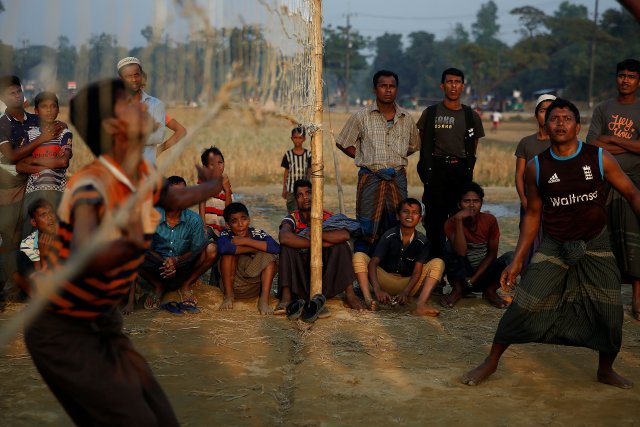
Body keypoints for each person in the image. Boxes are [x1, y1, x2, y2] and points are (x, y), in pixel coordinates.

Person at [23, 78, 225, 425]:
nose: (144, 107)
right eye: (132, 104)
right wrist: (129, 242)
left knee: (161, 414)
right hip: (62, 330)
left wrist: (212, 185)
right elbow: (87, 256)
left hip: (104, 323)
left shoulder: (141, 170)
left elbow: (174, 197)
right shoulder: (92, 185)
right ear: (114, 126)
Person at [462, 98, 640, 389]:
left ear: (577, 126)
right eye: (554, 118)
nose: (559, 123)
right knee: (526, 302)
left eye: (566, 118)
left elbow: (632, 193)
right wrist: (518, 259)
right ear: (545, 124)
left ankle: (605, 369)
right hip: (555, 244)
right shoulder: (536, 167)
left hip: (596, 243)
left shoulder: (599, 158)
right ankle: (491, 362)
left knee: (609, 309)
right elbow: (533, 215)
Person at [336, 70, 420, 254]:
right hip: (370, 178)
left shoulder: (406, 118)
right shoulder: (362, 116)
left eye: (392, 86)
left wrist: (395, 157)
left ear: (396, 89)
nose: (388, 90)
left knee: (399, 221)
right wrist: (363, 157)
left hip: (397, 179)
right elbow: (342, 142)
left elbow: (413, 145)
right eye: (383, 86)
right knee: (367, 226)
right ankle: (363, 266)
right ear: (375, 89)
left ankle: (392, 266)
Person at [586, 58, 640, 321]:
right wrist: (628, 144)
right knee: (605, 239)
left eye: (631, 76)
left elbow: (606, 142)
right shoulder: (603, 108)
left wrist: (613, 139)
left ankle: (638, 299)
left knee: (634, 240)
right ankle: (608, 299)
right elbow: (592, 143)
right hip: (606, 182)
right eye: (621, 75)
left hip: (635, 183)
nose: (625, 80)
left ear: (638, 81)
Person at [0, 75, 62, 298]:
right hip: (7, 186)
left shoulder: (33, 119)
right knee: (10, 236)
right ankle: (11, 283)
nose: (16, 96)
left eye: (18, 92)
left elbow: (57, 127)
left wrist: (57, 130)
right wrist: (42, 140)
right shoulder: (3, 124)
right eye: (11, 94)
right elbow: (12, 157)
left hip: (30, 182)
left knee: (32, 232)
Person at [417, 67, 485, 259]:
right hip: (436, 172)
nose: (453, 86)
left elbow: (473, 147)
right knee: (434, 225)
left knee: (459, 223)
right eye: (449, 82)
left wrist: (464, 170)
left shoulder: (471, 116)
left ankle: (458, 277)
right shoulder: (430, 113)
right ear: (442, 86)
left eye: (457, 82)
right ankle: (435, 276)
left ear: (463, 87)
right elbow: (423, 143)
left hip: (460, 173)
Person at [129, 175, 217, 315]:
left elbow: (196, 249)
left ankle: (186, 284)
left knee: (211, 249)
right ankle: (157, 286)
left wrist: (176, 260)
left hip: (184, 267)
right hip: (157, 267)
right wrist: (166, 262)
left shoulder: (194, 220)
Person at [277, 179, 364, 311]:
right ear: (296, 199)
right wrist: (317, 243)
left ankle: (350, 294)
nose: (305, 198)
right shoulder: (292, 218)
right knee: (286, 248)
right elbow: (284, 237)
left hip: (325, 274)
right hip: (300, 276)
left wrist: (316, 233)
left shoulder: (326, 216)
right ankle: (286, 297)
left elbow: (344, 235)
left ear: (315, 194)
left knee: (342, 246)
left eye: (308, 193)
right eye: (300, 195)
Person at [352, 198, 444, 316]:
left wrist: (405, 292)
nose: (410, 215)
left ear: (420, 219)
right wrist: (377, 289)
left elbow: (417, 272)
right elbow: (374, 263)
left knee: (438, 262)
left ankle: (421, 305)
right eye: (405, 211)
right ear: (397, 215)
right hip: (385, 280)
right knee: (359, 256)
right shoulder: (388, 235)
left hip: (408, 283)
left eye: (415, 212)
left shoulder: (422, 241)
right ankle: (369, 300)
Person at [439, 182, 513, 309]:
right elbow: (461, 252)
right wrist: (458, 221)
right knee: (448, 246)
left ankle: (490, 291)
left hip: (483, 274)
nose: (471, 205)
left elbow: (491, 255)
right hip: (462, 276)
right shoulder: (451, 223)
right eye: (466, 201)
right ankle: (457, 291)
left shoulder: (490, 220)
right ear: (459, 204)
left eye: (476, 201)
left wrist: (473, 279)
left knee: (512, 257)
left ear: (481, 203)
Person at [17, 91, 72, 238]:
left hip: (56, 190)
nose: (49, 110)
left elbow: (64, 161)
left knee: (57, 234)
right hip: (33, 190)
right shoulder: (30, 134)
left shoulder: (64, 133)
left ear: (58, 109)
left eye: (53, 106)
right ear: (36, 111)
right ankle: (30, 260)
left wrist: (33, 160)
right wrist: (50, 164)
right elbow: (20, 166)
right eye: (44, 106)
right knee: (29, 235)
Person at [116, 56, 187, 164]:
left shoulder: (155, 105)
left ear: (142, 75)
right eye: (128, 77)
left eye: (136, 75)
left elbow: (181, 131)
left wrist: (160, 150)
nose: (134, 80)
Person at [514, 94, 556, 269]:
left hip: (554, 203)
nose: (545, 115)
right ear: (535, 115)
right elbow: (519, 175)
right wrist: (524, 200)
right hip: (530, 202)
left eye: (550, 111)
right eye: (542, 110)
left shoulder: (560, 141)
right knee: (528, 241)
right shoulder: (526, 143)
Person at [217, 202, 279, 314]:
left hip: (253, 287)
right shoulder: (226, 234)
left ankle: (263, 300)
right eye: (234, 221)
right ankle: (229, 296)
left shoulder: (257, 233)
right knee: (228, 254)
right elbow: (223, 249)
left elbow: (276, 248)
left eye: (243, 219)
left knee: (269, 256)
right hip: (234, 284)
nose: (240, 224)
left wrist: (246, 241)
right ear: (227, 225)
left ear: (249, 219)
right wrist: (254, 248)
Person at [14, 198, 56, 297]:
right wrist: (43, 255)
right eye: (43, 215)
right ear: (33, 222)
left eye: (51, 213)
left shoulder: (66, 234)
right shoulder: (28, 246)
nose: (50, 217)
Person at [199, 146, 233, 238]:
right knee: (204, 240)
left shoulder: (226, 183)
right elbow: (201, 204)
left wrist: (227, 190)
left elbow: (229, 208)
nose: (217, 167)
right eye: (212, 164)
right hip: (209, 227)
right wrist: (203, 225)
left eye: (220, 163)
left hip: (223, 228)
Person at [281, 125, 311, 213]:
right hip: (291, 190)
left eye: (300, 138)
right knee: (292, 211)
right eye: (295, 138)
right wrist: (284, 188)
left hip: (304, 189)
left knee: (304, 210)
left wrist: (307, 182)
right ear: (292, 138)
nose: (297, 140)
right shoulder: (288, 155)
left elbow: (309, 169)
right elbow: (286, 172)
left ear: (304, 139)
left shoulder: (308, 154)